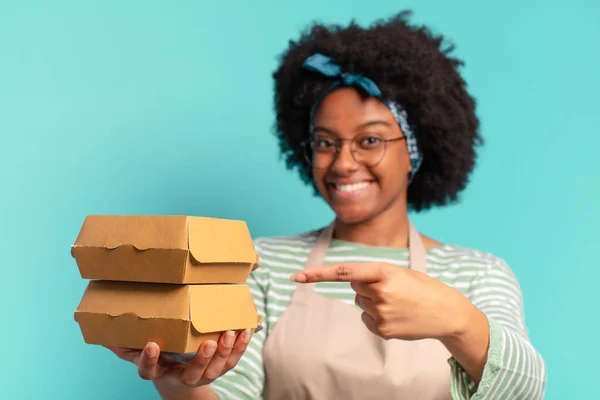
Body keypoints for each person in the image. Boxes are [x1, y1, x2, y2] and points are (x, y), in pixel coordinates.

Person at [109, 10, 547, 399]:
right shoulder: (264, 264)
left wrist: (457, 320)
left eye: (370, 140)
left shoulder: (477, 274)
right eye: (325, 143)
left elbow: (525, 391)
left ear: (415, 149)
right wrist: (175, 384)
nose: (342, 163)